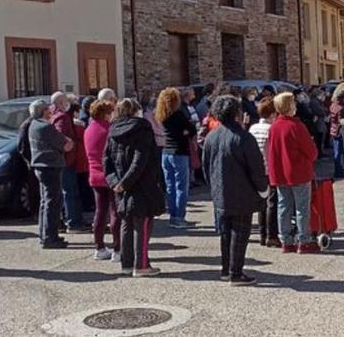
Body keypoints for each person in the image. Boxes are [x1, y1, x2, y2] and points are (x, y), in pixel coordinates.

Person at [202, 95, 269, 286]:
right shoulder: (244, 138)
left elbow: (207, 167)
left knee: (225, 233)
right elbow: (256, 168)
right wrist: (263, 188)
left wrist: (213, 187)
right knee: (239, 234)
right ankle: (236, 273)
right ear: (237, 113)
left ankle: (226, 269)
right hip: (242, 193)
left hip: (220, 191)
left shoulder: (211, 137)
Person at [104, 98, 165, 276]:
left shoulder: (112, 130)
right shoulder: (142, 129)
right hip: (141, 183)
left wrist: (116, 182)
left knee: (127, 222)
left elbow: (106, 160)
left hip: (122, 184)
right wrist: (123, 182)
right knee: (143, 223)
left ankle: (127, 263)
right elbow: (140, 159)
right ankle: (141, 264)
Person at [266, 92, 319, 253]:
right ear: (289, 106)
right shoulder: (296, 126)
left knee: (284, 207)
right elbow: (311, 152)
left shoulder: (274, 127)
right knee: (302, 208)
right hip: (298, 171)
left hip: (281, 172)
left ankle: (286, 240)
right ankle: (304, 240)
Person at [29, 98, 74, 249]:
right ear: (44, 111)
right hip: (50, 166)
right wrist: (68, 141)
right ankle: (50, 237)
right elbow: (67, 145)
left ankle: (44, 234)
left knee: (45, 201)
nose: (50, 112)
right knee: (53, 202)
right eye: (48, 109)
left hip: (40, 166)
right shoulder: (45, 127)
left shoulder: (33, 125)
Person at [85, 98, 121, 261]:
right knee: (115, 212)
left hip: (94, 173)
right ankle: (118, 249)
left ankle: (99, 246)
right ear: (106, 113)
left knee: (100, 212)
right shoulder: (110, 129)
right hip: (110, 175)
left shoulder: (88, 129)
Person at [156, 87, 195, 229]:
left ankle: (172, 216)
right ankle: (179, 216)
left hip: (166, 152)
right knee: (181, 187)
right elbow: (191, 129)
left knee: (170, 186)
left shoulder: (162, 114)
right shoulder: (178, 114)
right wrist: (184, 133)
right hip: (179, 152)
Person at [49, 91, 86, 233]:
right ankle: (74, 223)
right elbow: (60, 137)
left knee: (65, 192)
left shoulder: (53, 116)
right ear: (60, 103)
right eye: (65, 101)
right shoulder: (62, 117)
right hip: (65, 161)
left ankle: (67, 220)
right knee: (70, 192)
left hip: (62, 160)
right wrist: (69, 144)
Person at [249, 97, 280, 247]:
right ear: (272, 114)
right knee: (272, 204)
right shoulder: (271, 129)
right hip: (270, 169)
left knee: (262, 204)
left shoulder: (253, 128)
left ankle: (262, 234)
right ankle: (271, 235)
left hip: (257, 169)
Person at [329, 88, 344, 179]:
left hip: (333, 129)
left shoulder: (333, 105)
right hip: (339, 131)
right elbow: (341, 121)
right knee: (339, 152)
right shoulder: (341, 107)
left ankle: (338, 170)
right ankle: (339, 171)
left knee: (337, 152)